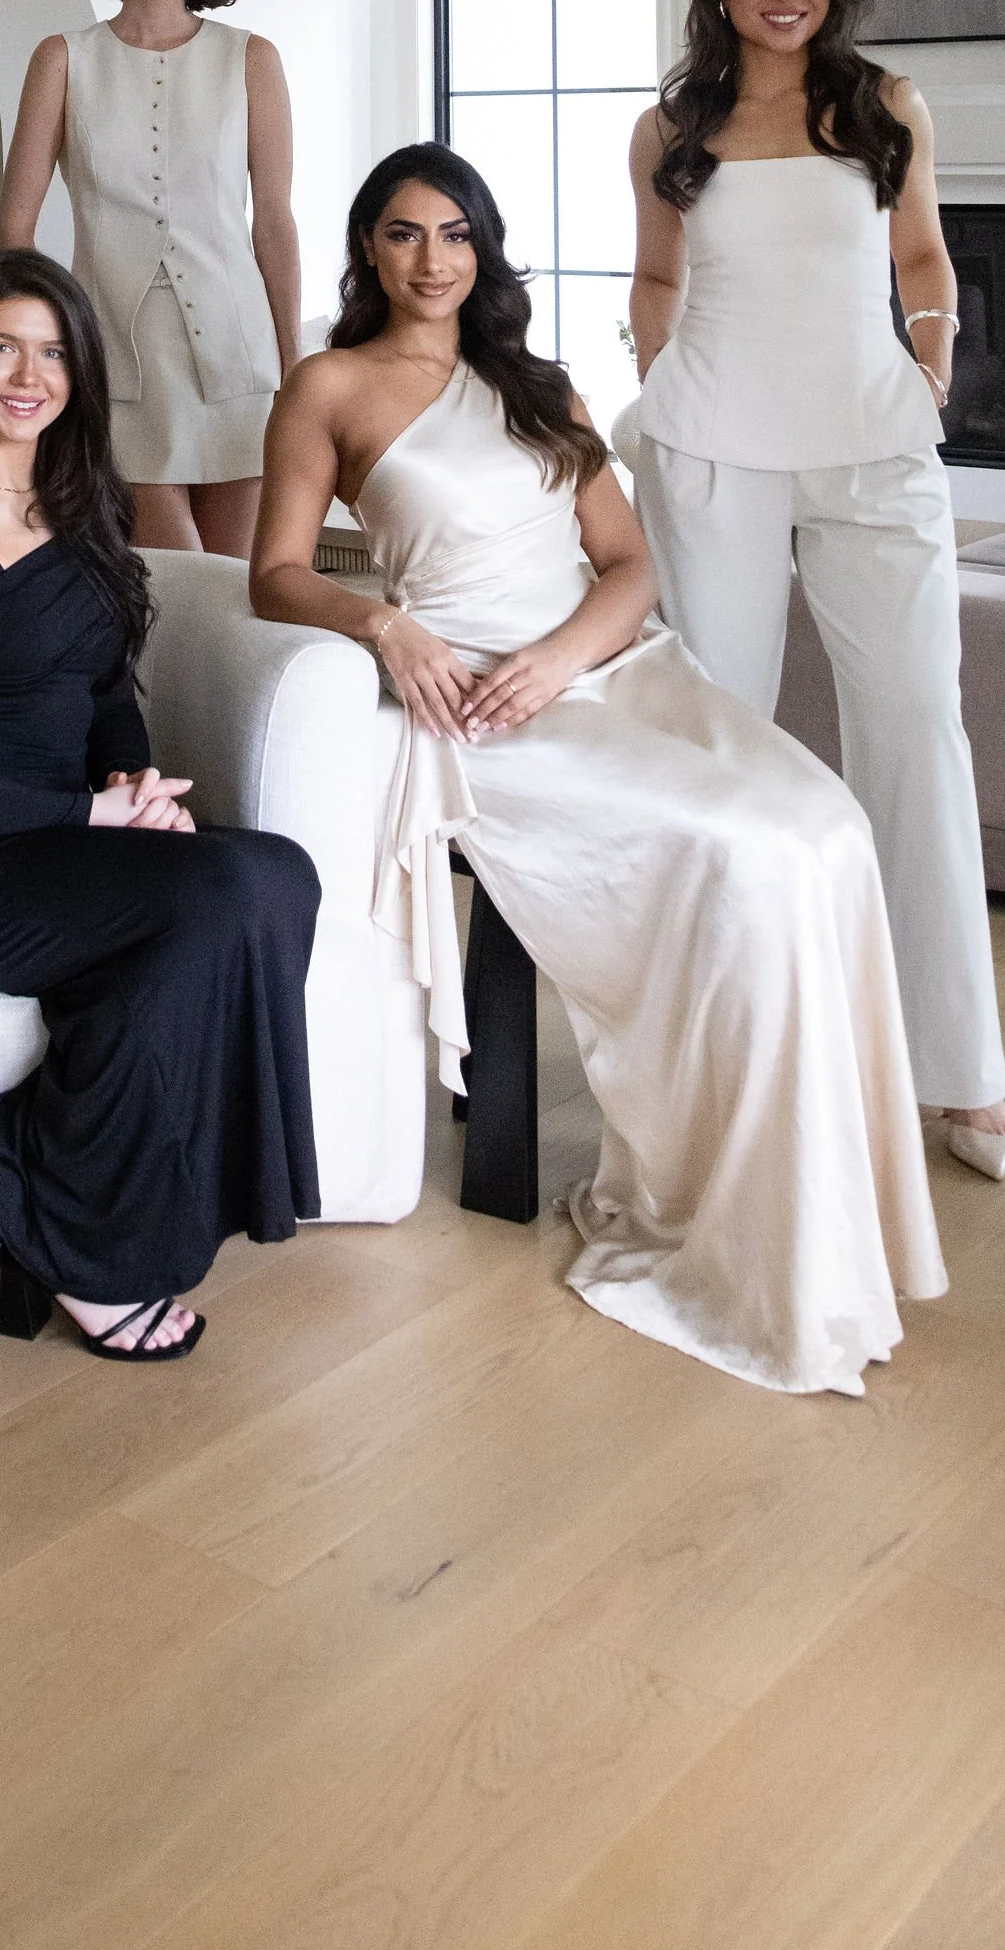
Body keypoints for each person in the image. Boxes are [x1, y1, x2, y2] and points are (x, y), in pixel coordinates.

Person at [253, 147, 944, 1399]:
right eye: (405, 234)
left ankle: (831, 1205)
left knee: (826, 826)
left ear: (484, 250)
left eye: (457, 235)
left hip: (613, 670)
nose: (433, 260)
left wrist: (564, 653)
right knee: (748, 848)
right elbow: (278, 573)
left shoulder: (539, 384)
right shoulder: (327, 386)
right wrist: (385, 626)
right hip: (478, 705)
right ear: (367, 248)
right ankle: (729, 1205)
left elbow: (629, 563)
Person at [0, 247, 320, 1363]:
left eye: (53, 352)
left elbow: (104, 688)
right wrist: (86, 817)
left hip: (62, 834)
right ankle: (97, 1264)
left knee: (276, 874)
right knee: (215, 902)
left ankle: (6, 1171)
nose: (28, 374)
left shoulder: (79, 502)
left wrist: (132, 784)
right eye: (1, 345)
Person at [626, 0, 1005, 1179]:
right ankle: (727, 1053)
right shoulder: (668, 130)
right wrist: (653, 369)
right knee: (722, 741)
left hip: (870, 439)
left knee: (912, 727)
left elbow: (921, 258)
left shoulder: (884, 109)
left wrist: (932, 361)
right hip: (712, 444)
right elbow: (656, 274)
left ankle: (956, 1071)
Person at [0, 0, 296, 559]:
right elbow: (13, 228)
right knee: (170, 571)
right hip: (110, 353)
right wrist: (37, 349)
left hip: (238, 354)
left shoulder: (250, 58)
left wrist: (294, 366)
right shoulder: (62, 58)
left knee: (236, 584)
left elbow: (274, 221)